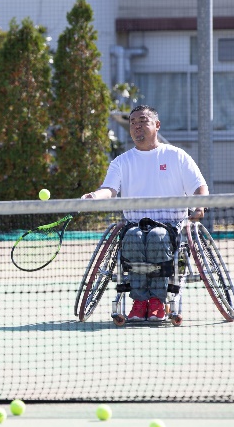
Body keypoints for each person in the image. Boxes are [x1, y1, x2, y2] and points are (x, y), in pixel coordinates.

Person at [81, 105, 208, 321]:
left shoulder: (176, 156)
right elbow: (109, 190)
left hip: (170, 226)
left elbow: (200, 187)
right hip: (134, 225)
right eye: (133, 123)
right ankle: (139, 303)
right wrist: (94, 196)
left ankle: (157, 302)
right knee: (132, 238)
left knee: (158, 238)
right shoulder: (121, 161)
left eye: (143, 121)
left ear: (157, 125)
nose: (137, 127)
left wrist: (199, 207)